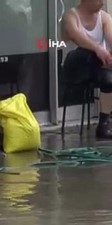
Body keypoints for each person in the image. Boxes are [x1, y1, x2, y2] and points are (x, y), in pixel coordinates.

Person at [62, 0, 112, 138]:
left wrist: (106, 55)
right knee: (89, 54)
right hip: (76, 68)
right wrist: (97, 49)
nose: (102, 1)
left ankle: (103, 124)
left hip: (101, 70)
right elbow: (75, 35)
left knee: (109, 78)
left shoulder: (105, 18)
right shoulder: (71, 16)